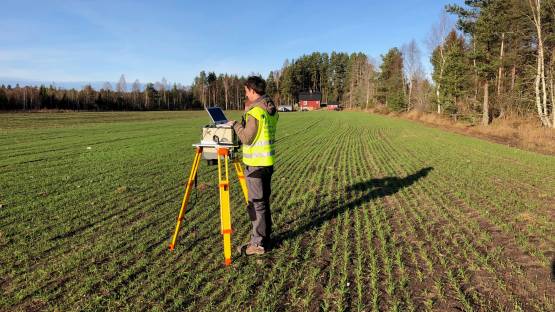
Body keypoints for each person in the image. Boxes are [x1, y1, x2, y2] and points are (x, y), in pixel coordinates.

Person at [225, 76, 278, 255]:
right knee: (262, 203)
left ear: (253, 91)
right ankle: (264, 238)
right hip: (267, 163)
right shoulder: (270, 109)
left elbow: (247, 138)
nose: (246, 94)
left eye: (246, 91)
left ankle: (258, 244)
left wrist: (236, 125)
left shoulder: (255, 112)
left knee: (257, 205)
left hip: (255, 165)